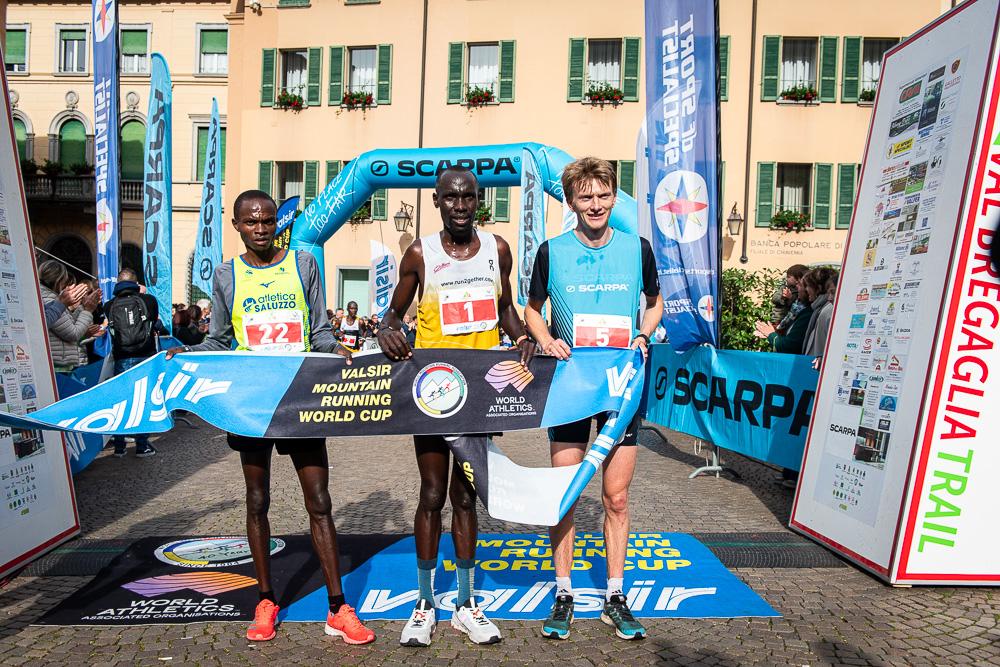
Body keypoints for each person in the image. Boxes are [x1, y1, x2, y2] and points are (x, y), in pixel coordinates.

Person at [165, 190, 374, 646]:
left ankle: (338, 608)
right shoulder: (225, 274)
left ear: (277, 221)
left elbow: (319, 330)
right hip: (252, 401)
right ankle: (265, 599)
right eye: (251, 221)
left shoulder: (303, 264)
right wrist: (186, 355)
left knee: (319, 501)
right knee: (256, 499)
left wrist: (340, 351)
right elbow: (220, 340)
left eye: (267, 220)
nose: (261, 227)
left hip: (301, 397)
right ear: (237, 225)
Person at [377, 166, 533, 647]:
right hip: (433, 391)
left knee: (466, 497)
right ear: (437, 201)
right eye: (451, 198)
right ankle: (424, 602)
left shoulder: (497, 249)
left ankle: (466, 604)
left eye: (468, 198)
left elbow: (504, 308)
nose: (461, 206)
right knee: (430, 494)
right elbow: (392, 315)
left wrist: (522, 333)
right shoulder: (420, 253)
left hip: (480, 395)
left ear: (478, 200)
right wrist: (387, 330)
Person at [524, 157, 663, 641]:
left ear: (613, 196)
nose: (596, 204)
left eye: (603, 195)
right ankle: (563, 593)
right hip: (570, 387)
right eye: (585, 196)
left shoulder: (637, 248)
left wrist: (644, 334)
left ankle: (614, 597)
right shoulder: (551, 251)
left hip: (620, 388)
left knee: (616, 497)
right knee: (565, 495)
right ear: (571, 201)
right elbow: (532, 311)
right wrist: (544, 339)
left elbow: (655, 302)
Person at [105, 268, 160, 458]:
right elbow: (154, 322)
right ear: (136, 283)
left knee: (121, 402)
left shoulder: (109, 304)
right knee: (143, 401)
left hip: (122, 357)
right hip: (146, 355)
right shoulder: (149, 300)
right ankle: (142, 446)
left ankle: (119, 448)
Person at [38, 261, 102, 374]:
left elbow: (67, 323)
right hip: (57, 367)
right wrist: (87, 311)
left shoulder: (50, 297)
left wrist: (83, 307)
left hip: (59, 364)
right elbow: (73, 333)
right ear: (60, 281)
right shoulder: (49, 299)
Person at [802, 268, 838, 357]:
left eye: (808, 285)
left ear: (818, 288)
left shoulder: (827, 310)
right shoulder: (820, 309)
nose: (806, 289)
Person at [770, 265, 808, 332]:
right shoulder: (784, 288)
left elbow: (798, 306)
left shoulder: (802, 292)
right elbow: (774, 299)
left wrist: (790, 298)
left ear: (797, 280)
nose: (786, 279)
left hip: (791, 321)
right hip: (778, 319)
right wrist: (783, 298)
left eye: (788, 277)